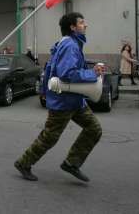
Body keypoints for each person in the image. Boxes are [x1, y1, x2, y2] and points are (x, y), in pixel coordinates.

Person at [14, 12, 104, 182]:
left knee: (94, 129)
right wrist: (92, 73)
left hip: (75, 100)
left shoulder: (68, 43)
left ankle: (71, 163)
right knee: (50, 137)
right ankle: (23, 163)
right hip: (64, 101)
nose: (86, 25)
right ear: (72, 27)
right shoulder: (70, 45)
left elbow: (54, 68)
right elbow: (67, 74)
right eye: (82, 22)